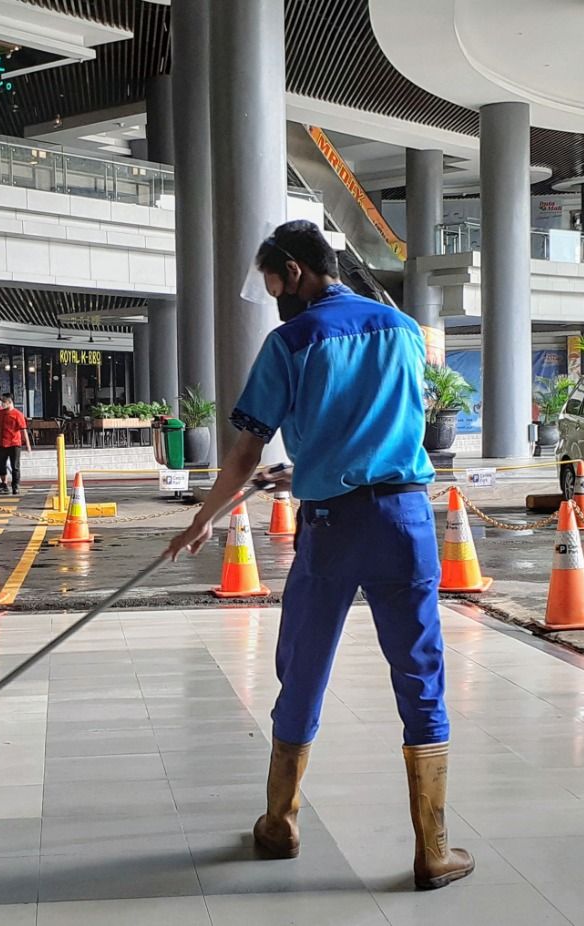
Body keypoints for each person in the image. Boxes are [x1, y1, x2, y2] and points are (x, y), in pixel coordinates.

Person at [166, 220, 473, 890]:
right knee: (421, 676)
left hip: (333, 525)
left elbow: (245, 450)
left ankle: (281, 821)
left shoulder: (291, 340)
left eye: (271, 279)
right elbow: (392, 416)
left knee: (303, 666)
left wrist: (201, 521)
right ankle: (434, 849)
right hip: (405, 519)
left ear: (294, 271)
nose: (271, 292)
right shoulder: (402, 329)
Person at [0, 393, 30, 496]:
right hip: (2, 443)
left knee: (15, 466)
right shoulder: (0, 413)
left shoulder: (17, 414)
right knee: (0, 464)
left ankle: (15, 485)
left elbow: (23, 430)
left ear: (10, 402)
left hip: (15, 443)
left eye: (4, 402)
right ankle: (4, 484)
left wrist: (27, 444)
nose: (2, 404)